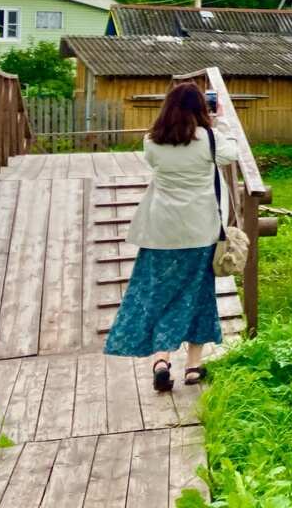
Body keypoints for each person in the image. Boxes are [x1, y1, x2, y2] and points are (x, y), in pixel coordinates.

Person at [104, 82, 238, 392]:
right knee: (198, 295)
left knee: (160, 294)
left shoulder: (151, 141)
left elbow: (155, 163)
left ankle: (162, 361)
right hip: (199, 230)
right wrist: (221, 121)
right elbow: (230, 154)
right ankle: (193, 366)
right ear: (201, 108)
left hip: (160, 230)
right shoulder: (210, 140)